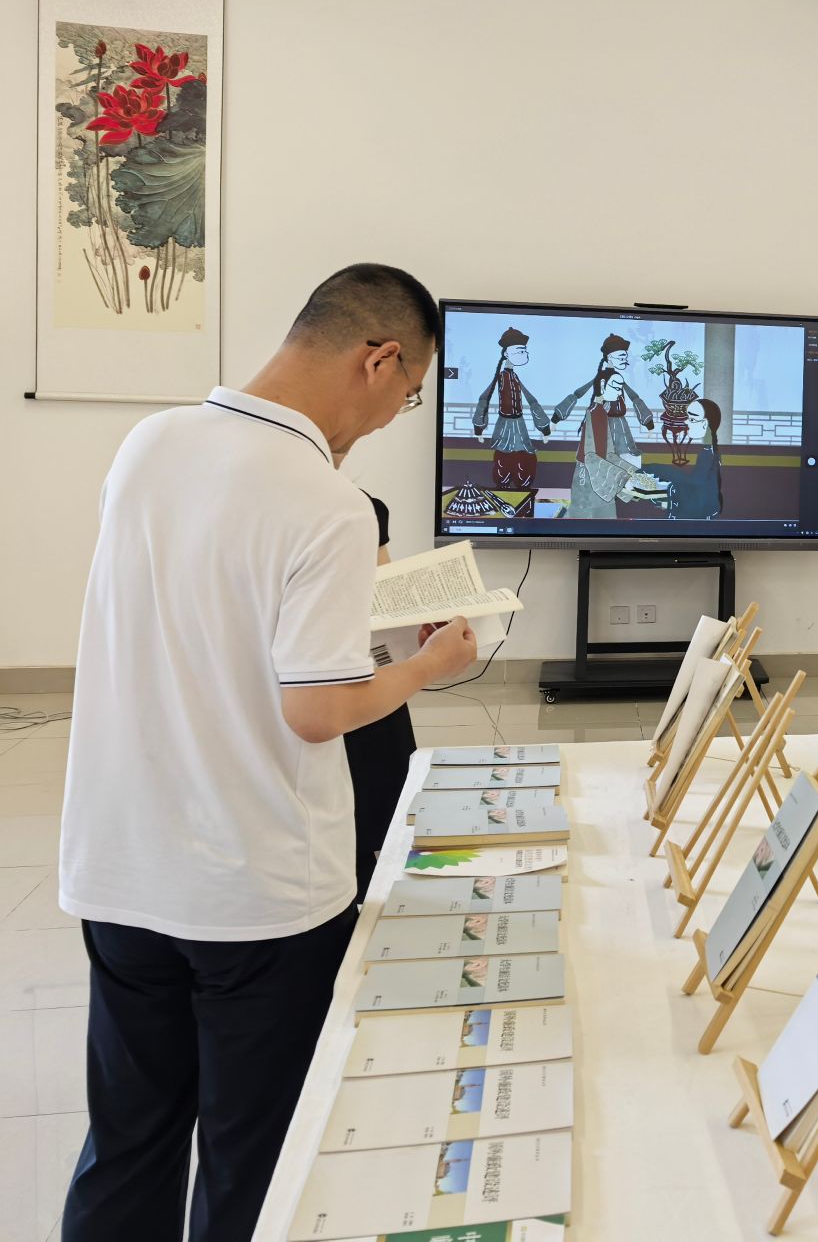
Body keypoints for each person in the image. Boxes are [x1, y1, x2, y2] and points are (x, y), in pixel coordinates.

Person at [58, 264, 479, 1241]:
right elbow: (317, 710)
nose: (394, 416)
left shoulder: (150, 443)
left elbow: (203, 624)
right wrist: (429, 665)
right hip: (256, 896)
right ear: (379, 360)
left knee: (127, 1140)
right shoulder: (327, 502)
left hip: (120, 871)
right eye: (410, 393)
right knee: (251, 1158)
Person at [343, 493, 418, 904]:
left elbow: (384, 600)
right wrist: (429, 662)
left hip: (362, 677)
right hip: (346, 685)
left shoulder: (366, 508)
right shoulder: (358, 507)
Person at [553, 332, 660, 519]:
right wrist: (556, 418)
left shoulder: (615, 382)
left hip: (621, 431)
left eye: (625, 356)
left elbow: (634, 397)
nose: (625, 360)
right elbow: (578, 394)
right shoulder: (597, 410)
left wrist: (648, 422)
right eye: (621, 356)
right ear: (609, 357)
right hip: (602, 439)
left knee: (621, 473)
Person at [470, 325, 550, 492]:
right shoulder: (500, 377)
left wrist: (544, 427)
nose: (524, 354)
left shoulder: (515, 377)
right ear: (506, 354)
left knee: (525, 456)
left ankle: (523, 486)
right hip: (504, 424)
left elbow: (531, 400)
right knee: (503, 457)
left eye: (524, 351)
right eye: (520, 351)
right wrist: (479, 427)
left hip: (519, 423)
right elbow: (484, 398)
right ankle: (503, 485)